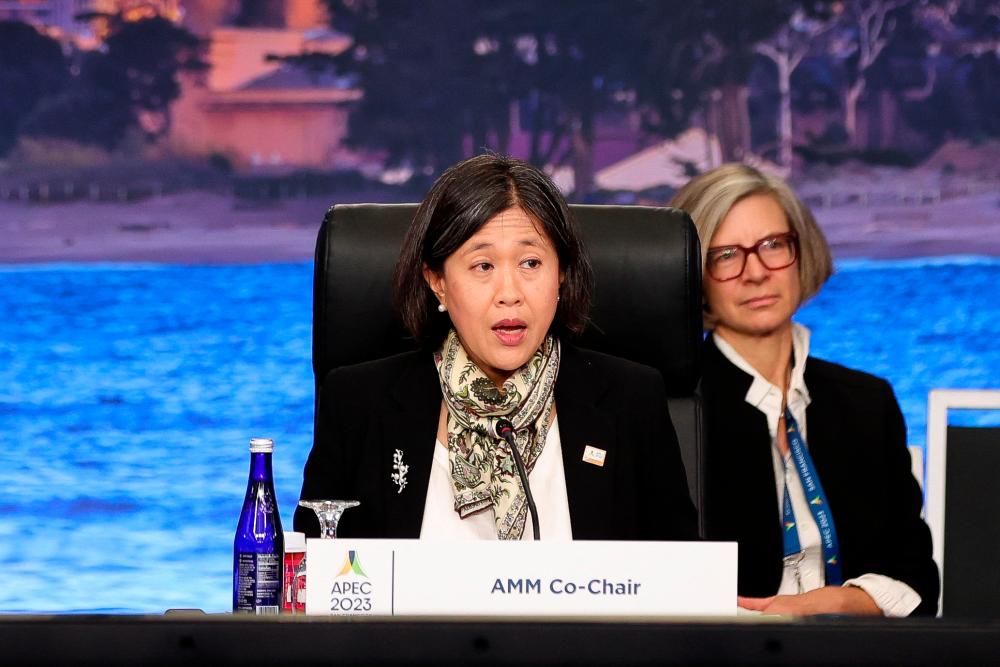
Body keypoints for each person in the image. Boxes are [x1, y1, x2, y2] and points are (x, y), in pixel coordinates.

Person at [295, 154, 697, 542]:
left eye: (531, 264)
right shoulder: (359, 406)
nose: (510, 294)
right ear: (437, 281)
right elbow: (309, 580)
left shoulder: (630, 403)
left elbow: (684, 579)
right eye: (483, 266)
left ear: (562, 275)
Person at [670, 164, 939, 616]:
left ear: (802, 252)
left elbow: (918, 580)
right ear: (694, 275)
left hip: (858, 650)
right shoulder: (668, 408)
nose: (755, 272)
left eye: (773, 245)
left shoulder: (868, 402)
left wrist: (843, 602)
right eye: (726, 255)